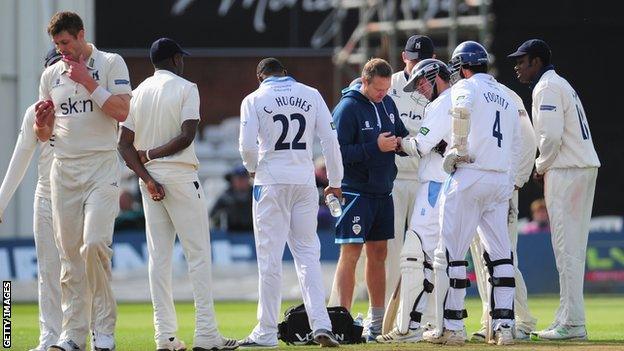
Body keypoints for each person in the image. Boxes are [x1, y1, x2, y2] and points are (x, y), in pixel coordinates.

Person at [118, 38, 238, 351]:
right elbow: (186, 137)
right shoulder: (187, 88)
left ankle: (165, 338)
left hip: (150, 183)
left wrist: (146, 176)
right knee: (198, 256)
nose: (182, 62)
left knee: (159, 259)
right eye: (180, 58)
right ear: (174, 59)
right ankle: (206, 335)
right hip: (181, 176)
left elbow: (123, 144)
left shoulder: (136, 93)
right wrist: (152, 157)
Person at [35, 12, 132, 351]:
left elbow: (122, 111)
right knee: (70, 257)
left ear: (80, 35)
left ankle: (103, 331)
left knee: (93, 245)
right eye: (57, 45)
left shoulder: (110, 63)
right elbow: (46, 134)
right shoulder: (51, 74)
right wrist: (41, 125)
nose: (62, 50)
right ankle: (72, 336)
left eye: (65, 43)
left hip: (101, 167)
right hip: (64, 171)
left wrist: (89, 82)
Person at [238, 58, 344, 347]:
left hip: (270, 182)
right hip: (304, 180)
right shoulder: (311, 94)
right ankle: (322, 324)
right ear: (285, 73)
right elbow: (330, 140)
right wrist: (335, 182)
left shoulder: (254, 99)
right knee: (308, 256)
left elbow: (247, 147)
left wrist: (253, 169)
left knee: (270, 259)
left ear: (260, 77)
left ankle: (266, 332)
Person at [427, 41, 521, 346]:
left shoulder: (467, 87)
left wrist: (458, 148)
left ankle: (453, 326)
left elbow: (461, 109)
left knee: (454, 253)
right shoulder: (506, 96)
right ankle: (505, 325)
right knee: (501, 254)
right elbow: (517, 142)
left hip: (470, 175)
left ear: (462, 67)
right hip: (499, 180)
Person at [509, 39, 600, 340]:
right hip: (579, 166)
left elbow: (550, 137)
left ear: (536, 62)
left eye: (522, 61)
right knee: (570, 247)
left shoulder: (545, 86)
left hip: (568, 169)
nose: (518, 66)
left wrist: (540, 165)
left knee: (567, 249)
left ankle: (573, 323)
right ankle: (568, 316)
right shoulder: (559, 83)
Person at [331, 58, 409, 341]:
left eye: (386, 88)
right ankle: (341, 320)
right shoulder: (348, 108)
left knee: (379, 255)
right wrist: (374, 147)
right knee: (350, 254)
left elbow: (399, 133)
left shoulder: (388, 103)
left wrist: (402, 145)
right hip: (355, 192)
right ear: (364, 82)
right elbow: (337, 153)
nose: (382, 94)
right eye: (378, 88)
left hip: (382, 191)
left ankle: (375, 322)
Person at [376, 58, 452, 343]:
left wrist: (399, 143)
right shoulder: (465, 99)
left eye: (421, 83)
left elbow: (420, 145)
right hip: (456, 185)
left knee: (413, 253)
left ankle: (408, 328)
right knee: (446, 258)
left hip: (434, 184)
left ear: (434, 77)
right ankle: (448, 325)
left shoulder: (439, 104)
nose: (419, 90)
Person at [0, 49, 62, 351]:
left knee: (80, 270)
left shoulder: (84, 108)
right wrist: (0, 202)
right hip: (46, 198)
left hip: (79, 198)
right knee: (49, 272)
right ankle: (49, 338)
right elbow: (21, 157)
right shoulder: (34, 112)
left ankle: (79, 336)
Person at [469, 84, 538, 341]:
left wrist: (515, 181)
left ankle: (521, 321)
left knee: (502, 257)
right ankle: (492, 319)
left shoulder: (502, 94)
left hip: (500, 187)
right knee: (486, 258)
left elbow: (528, 138)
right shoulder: (496, 93)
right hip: (485, 186)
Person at [385, 34, 435, 305]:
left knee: (425, 248)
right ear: (404, 56)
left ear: (433, 60)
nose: (415, 64)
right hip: (393, 178)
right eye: (411, 58)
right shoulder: (390, 84)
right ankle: (390, 313)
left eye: (421, 60)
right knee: (391, 249)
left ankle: (424, 313)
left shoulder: (436, 90)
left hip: (423, 177)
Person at [209, 165, 253, 233]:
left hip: (252, 234)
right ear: (233, 180)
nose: (241, 182)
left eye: (244, 178)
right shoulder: (226, 196)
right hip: (231, 234)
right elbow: (213, 214)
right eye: (238, 179)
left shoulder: (254, 195)